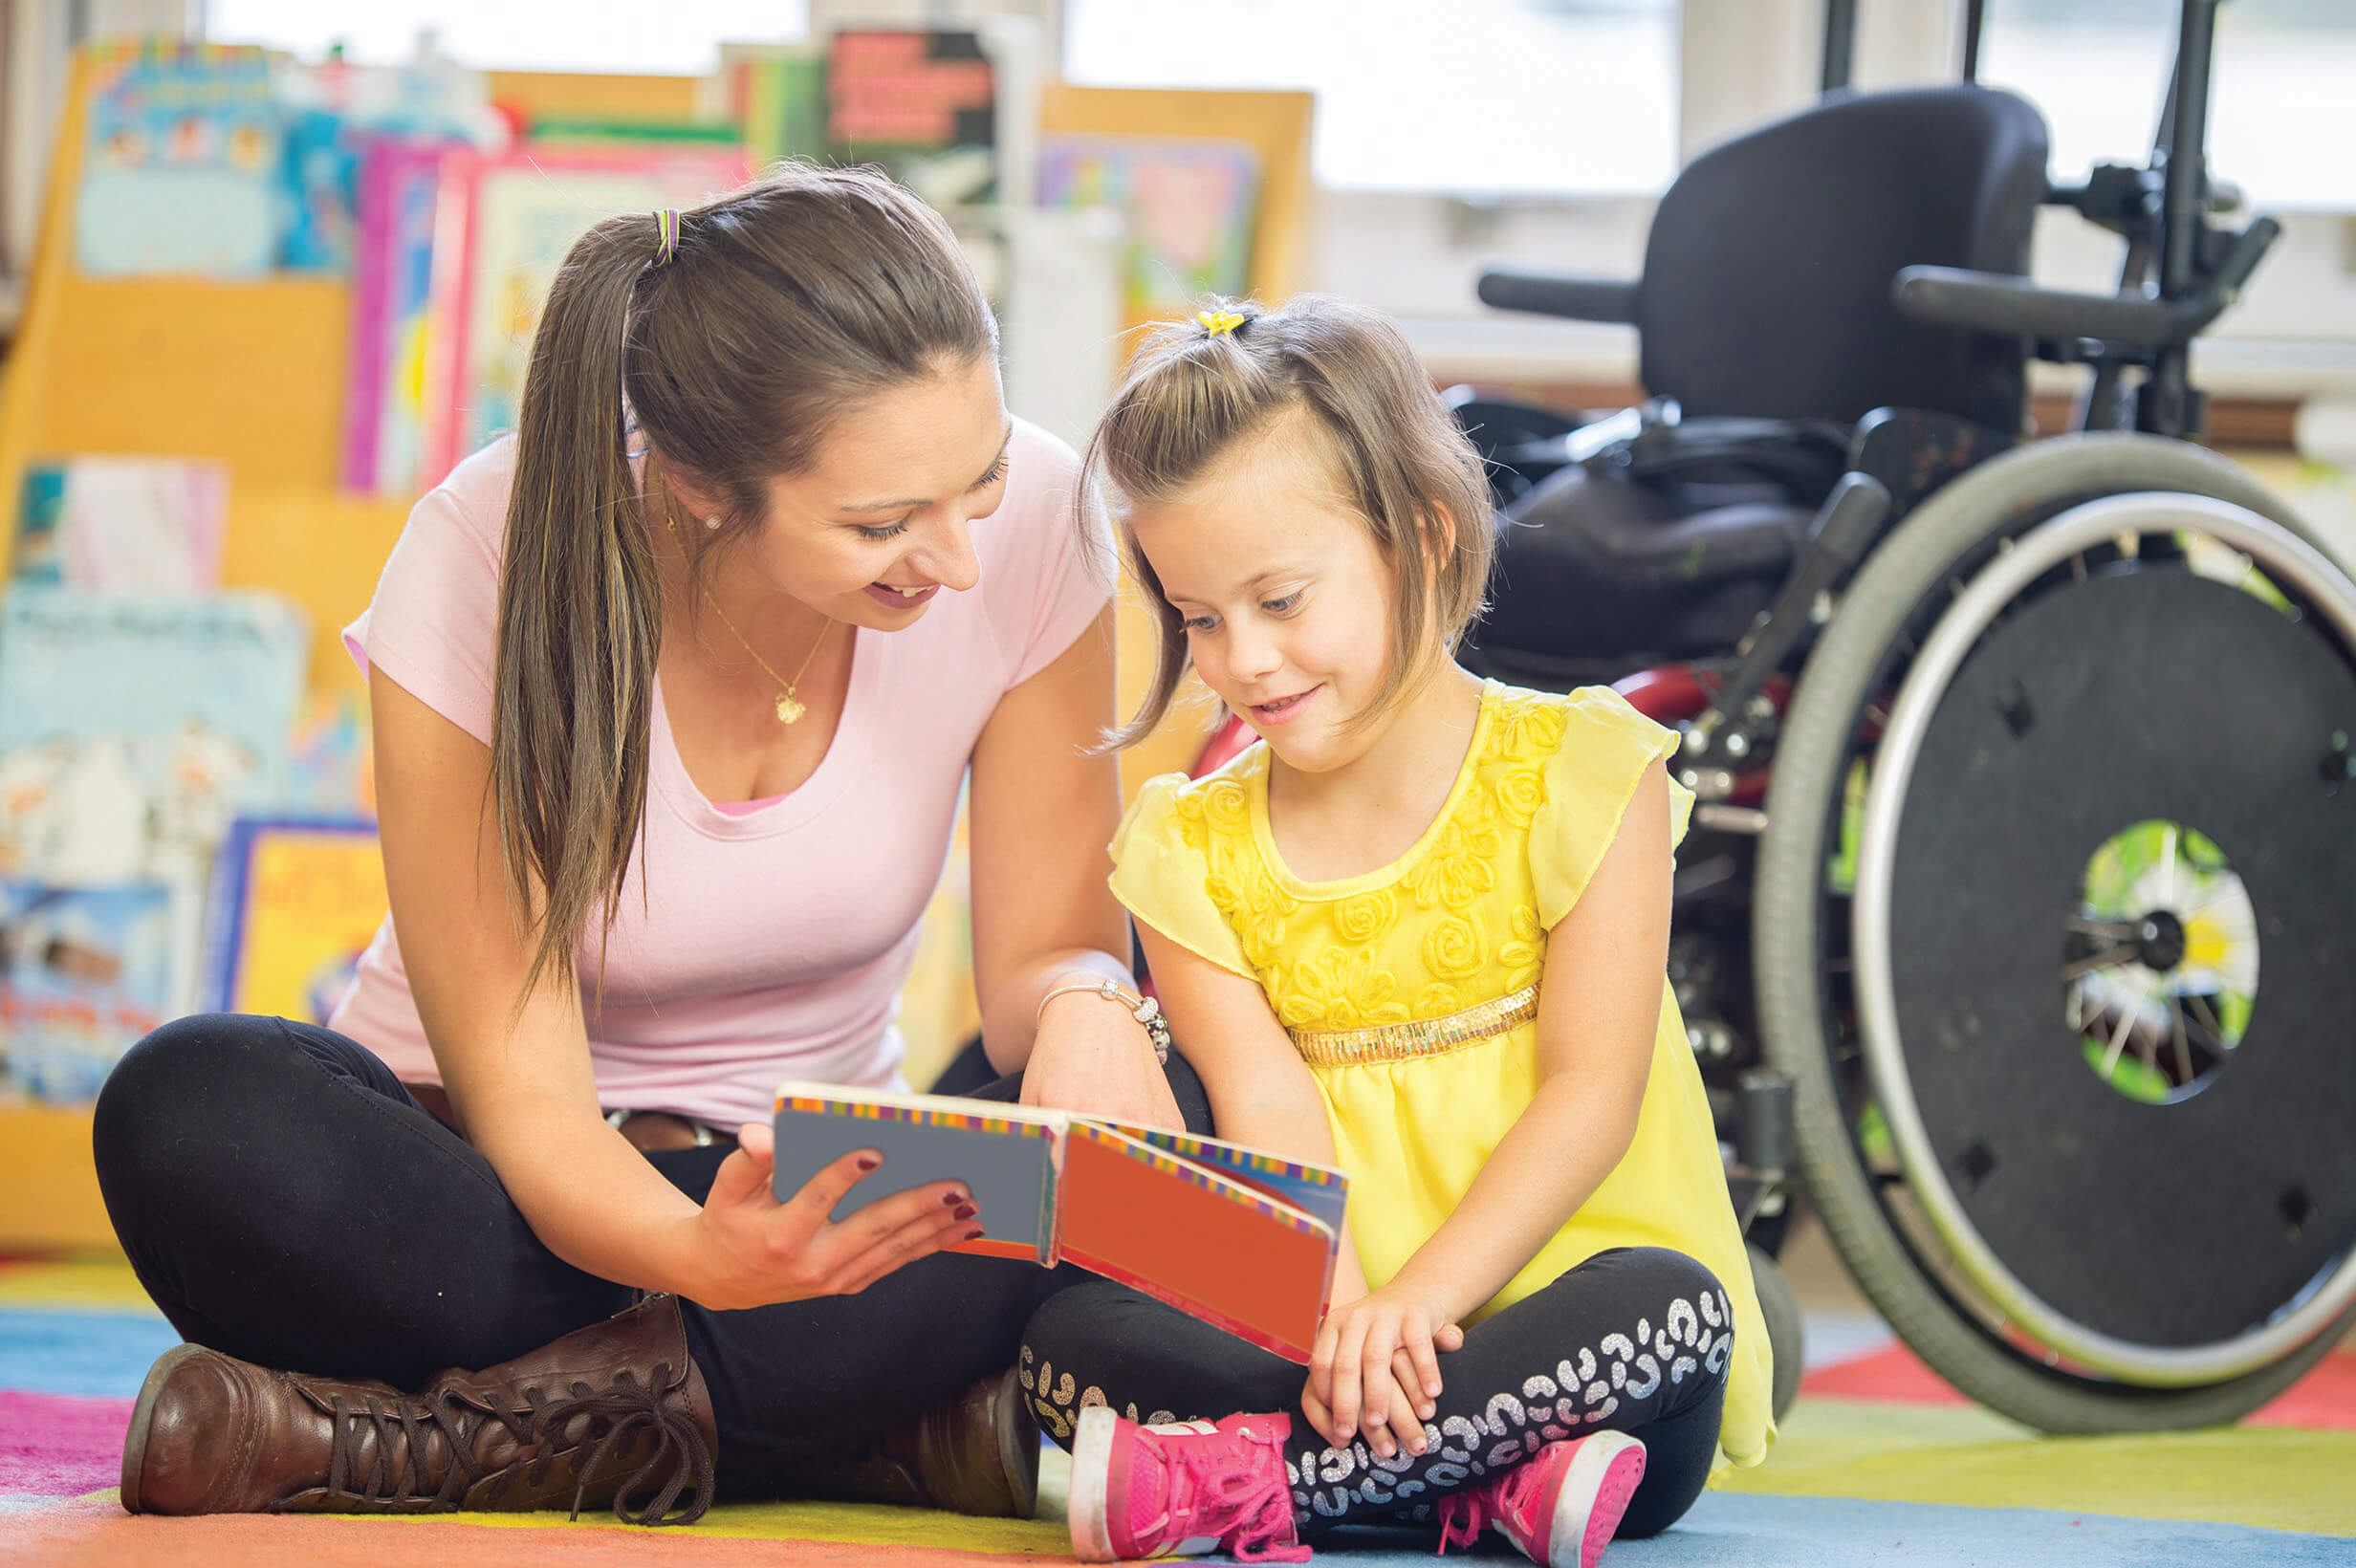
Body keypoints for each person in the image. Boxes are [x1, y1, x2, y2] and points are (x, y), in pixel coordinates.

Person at [91, 165, 1207, 1527]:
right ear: (693, 483)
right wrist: (703, 1256)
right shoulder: (484, 550)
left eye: (973, 485)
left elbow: (1043, 952)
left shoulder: (1032, 520)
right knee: (192, 1110)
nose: (956, 557)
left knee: (1179, 1102)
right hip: (485, 1190)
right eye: (879, 525)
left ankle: (430, 1443)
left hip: (817, 1191)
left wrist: (1093, 1001)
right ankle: (826, 1421)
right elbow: (533, 1109)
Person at [1015, 297, 1775, 1567]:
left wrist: (1418, 1308)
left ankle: (1246, 1489)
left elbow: (1593, 1092)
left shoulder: (1587, 774)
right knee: (1060, 1347)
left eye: (1281, 598)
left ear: (1420, 536)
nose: (1243, 660)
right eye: (1200, 618)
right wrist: (1344, 1316)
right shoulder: (1184, 846)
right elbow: (1269, 1105)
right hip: (1326, 1331)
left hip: (1557, 1323)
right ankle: (1483, 1486)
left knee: (1675, 1313)